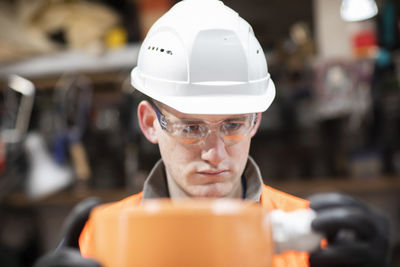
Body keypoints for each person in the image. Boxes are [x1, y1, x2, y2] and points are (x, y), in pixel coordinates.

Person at [34, 0, 390, 267]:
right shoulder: (100, 239)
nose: (215, 154)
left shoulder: (311, 236)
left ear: (257, 121)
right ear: (148, 123)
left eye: (234, 125)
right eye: (190, 127)